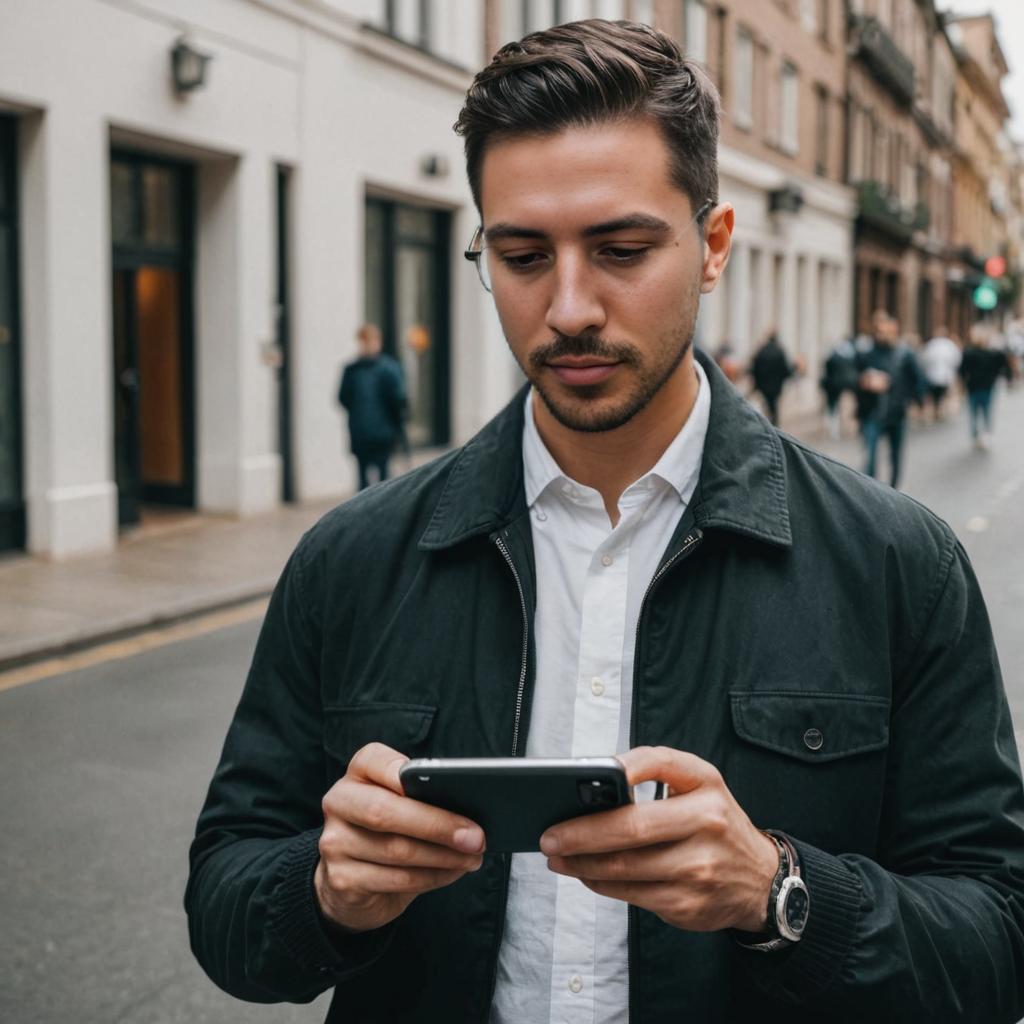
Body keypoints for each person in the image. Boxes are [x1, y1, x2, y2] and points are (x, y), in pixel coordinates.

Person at [186, 20, 1024, 1024]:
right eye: (523, 254)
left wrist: (777, 892)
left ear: (712, 247)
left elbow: (995, 938)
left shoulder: (895, 561)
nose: (569, 306)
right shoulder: (352, 556)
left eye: (621, 249)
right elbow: (226, 905)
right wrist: (325, 891)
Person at [854, 310, 924, 489]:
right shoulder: (866, 353)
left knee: (896, 456)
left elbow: (917, 379)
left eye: (887, 330)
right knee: (870, 456)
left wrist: (915, 400)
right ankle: (870, 490)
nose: (882, 334)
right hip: (871, 411)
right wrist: (865, 381)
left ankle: (894, 492)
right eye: (879, 330)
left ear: (895, 331)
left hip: (897, 412)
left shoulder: (905, 354)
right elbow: (852, 376)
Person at [337, 324, 407, 490]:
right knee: (369, 478)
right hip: (365, 432)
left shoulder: (385, 369)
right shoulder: (353, 370)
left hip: (379, 433)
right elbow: (343, 398)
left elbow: (397, 399)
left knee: (379, 477)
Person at [959, 325, 1012, 449]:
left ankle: (975, 435)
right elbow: (1003, 364)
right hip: (987, 387)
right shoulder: (992, 354)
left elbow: (962, 370)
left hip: (973, 387)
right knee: (986, 411)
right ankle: (986, 434)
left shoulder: (969, 353)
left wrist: (964, 382)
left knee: (974, 412)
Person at [749, 331, 793, 426]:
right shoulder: (779, 351)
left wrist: (756, 383)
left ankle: (769, 424)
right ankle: (773, 425)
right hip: (776, 386)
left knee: (768, 405)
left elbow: (754, 368)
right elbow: (785, 369)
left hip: (763, 385)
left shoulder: (762, 350)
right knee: (773, 406)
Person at [818, 336, 858, 440]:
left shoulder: (833, 358)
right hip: (837, 386)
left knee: (833, 407)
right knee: (835, 407)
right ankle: (834, 428)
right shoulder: (844, 358)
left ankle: (833, 428)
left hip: (833, 386)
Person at [918, 326, 961, 421]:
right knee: (942, 393)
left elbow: (924, 359)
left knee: (935, 394)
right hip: (944, 375)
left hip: (934, 374)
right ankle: (939, 410)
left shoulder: (931, 345)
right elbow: (956, 359)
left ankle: (937, 410)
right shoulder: (949, 345)